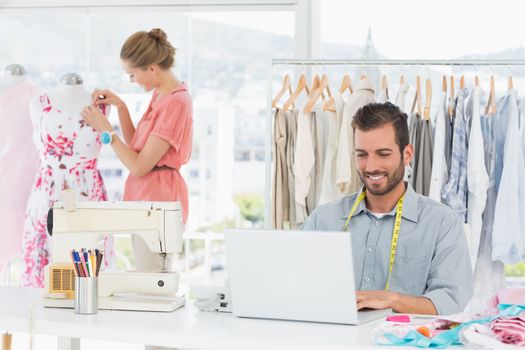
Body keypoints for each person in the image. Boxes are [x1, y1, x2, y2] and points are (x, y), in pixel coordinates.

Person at [302, 102, 473, 315]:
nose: (371, 166)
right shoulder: (322, 220)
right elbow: (298, 286)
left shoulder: (441, 223)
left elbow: (451, 301)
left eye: (383, 154)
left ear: (407, 154)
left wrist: (393, 299)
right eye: (361, 154)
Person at [82, 28, 192, 272]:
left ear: (152, 68)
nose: (132, 81)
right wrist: (120, 107)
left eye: (132, 75)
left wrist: (106, 131)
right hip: (145, 199)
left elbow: (139, 166)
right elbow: (137, 149)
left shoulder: (176, 102)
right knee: (147, 277)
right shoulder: (161, 96)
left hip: (158, 201)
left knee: (153, 281)